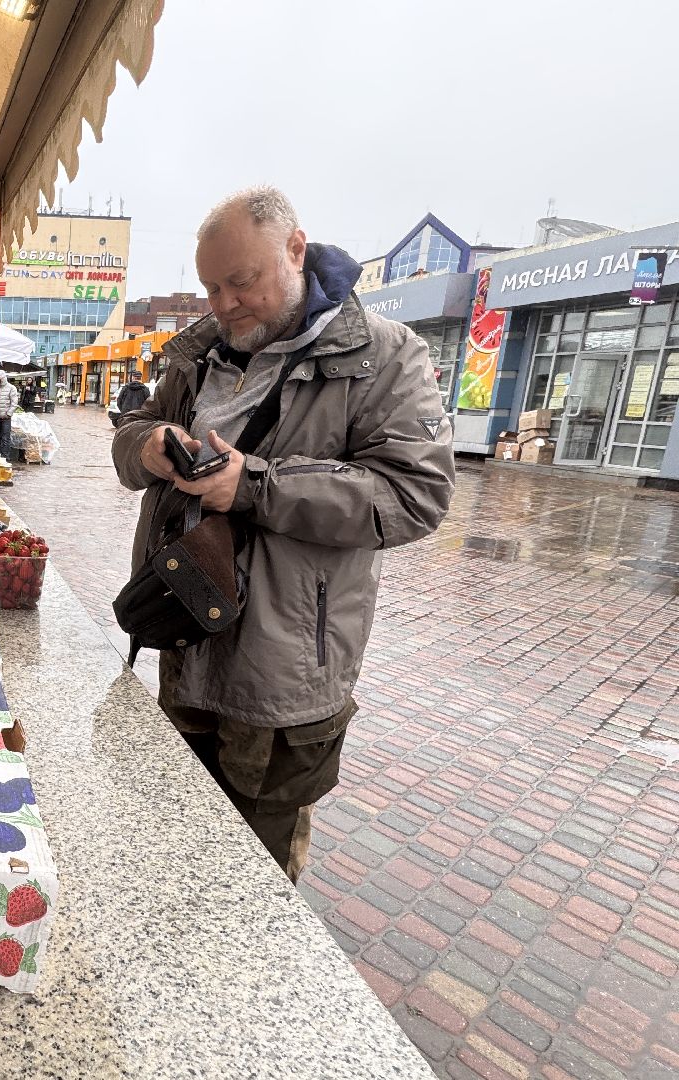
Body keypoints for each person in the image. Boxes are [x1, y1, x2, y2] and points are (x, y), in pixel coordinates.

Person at [111, 187, 454, 883]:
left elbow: (416, 495)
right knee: (176, 845)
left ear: (296, 250)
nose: (225, 304)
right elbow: (129, 439)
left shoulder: (386, 356)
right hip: (185, 635)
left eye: (242, 282)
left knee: (255, 885)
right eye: (211, 287)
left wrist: (258, 485)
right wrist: (149, 446)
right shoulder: (199, 354)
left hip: (284, 673)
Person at [0, 370, 19, 458]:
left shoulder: (11, 388)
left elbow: (14, 403)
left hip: (5, 418)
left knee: (5, 438)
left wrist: (9, 413)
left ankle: (5, 457)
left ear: (2, 378)